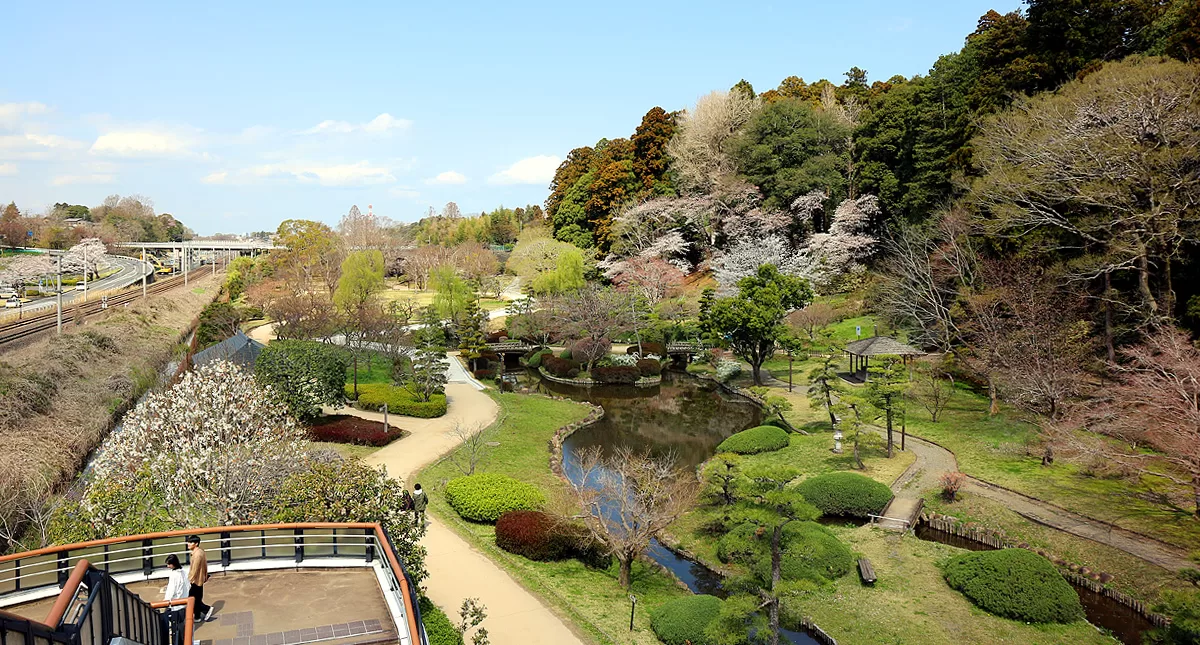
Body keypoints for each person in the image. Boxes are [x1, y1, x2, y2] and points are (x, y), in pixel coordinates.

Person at [186, 535, 215, 622]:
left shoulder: (197, 555)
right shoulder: (200, 551)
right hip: (199, 579)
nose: (188, 544)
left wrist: (189, 580)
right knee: (197, 598)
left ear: (196, 544)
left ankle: (207, 609)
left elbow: (195, 569)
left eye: (191, 542)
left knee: (193, 598)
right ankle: (197, 616)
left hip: (196, 580)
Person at [162, 554, 190, 645]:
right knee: (181, 623)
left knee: (176, 625)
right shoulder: (183, 572)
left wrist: (166, 600)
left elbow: (171, 590)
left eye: (169, 564)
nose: (168, 566)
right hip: (184, 601)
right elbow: (188, 586)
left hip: (176, 604)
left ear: (173, 564)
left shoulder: (174, 575)